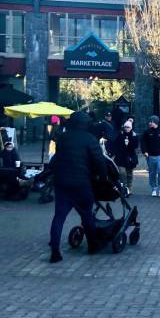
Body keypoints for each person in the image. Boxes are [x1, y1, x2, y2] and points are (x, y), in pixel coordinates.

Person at [48, 111, 107, 263]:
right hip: (81, 183)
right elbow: (99, 160)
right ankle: (93, 245)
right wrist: (103, 176)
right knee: (86, 215)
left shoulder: (63, 138)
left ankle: (55, 251)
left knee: (59, 217)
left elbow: (58, 157)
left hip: (62, 183)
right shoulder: (89, 139)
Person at [141, 115, 160, 197]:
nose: (149, 123)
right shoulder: (147, 132)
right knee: (152, 173)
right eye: (149, 122)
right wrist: (144, 151)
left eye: (151, 122)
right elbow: (143, 143)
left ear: (155, 122)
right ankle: (154, 189)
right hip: (150, 156)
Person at [113, 120, 138, 194]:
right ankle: (124, 188)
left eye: (128, 127)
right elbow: (115, 145)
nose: (126, 128)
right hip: (120, 157)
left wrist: (129, 142)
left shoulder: (134, 135)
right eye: (125, 127)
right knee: (122, 173)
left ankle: (129, 188)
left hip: (130, 157)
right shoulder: (120, 135)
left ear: (131, 128)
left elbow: (135, 146)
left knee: (129, 174)